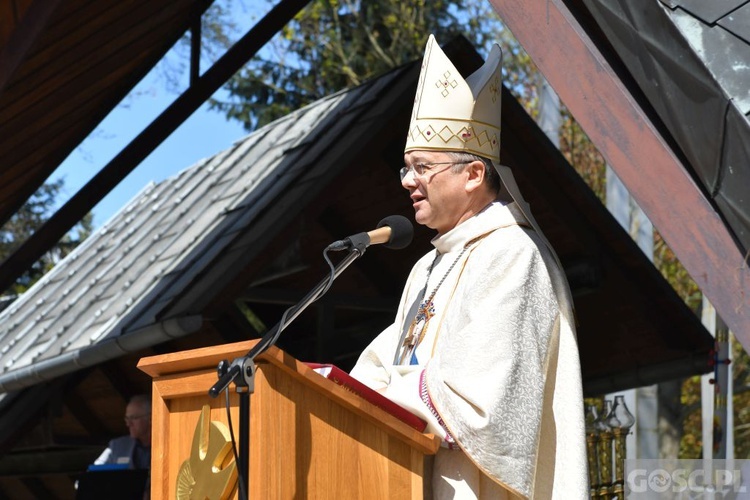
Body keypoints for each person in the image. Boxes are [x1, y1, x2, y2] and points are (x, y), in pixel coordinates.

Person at [350, 35, 588, 499]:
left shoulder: (512, 254)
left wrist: (392, 386)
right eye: (405, 168)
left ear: (474, 174)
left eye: (422, 167)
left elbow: (482, 407)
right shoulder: (426, 268)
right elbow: (379, 366)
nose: (408, 182)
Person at [94, 394, 152, 470]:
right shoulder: (116, 446)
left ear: (150, 418)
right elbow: (94, 471)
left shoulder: (167, 445)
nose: (128, 424)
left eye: (133, 418)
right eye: (127, 418)